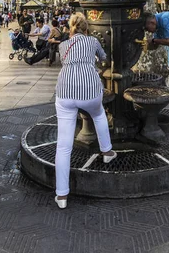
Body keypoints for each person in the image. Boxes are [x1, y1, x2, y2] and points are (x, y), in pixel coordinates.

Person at [55, 13, 116, 209]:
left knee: (63, 146)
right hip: (90, 89)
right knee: (99, 115)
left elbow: (65, 60)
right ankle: (107, 151)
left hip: (65, 91)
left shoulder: (63, 45)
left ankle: (62, 196)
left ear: (70, 28)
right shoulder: (93, 41)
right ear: (86, 28)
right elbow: (104, 59)